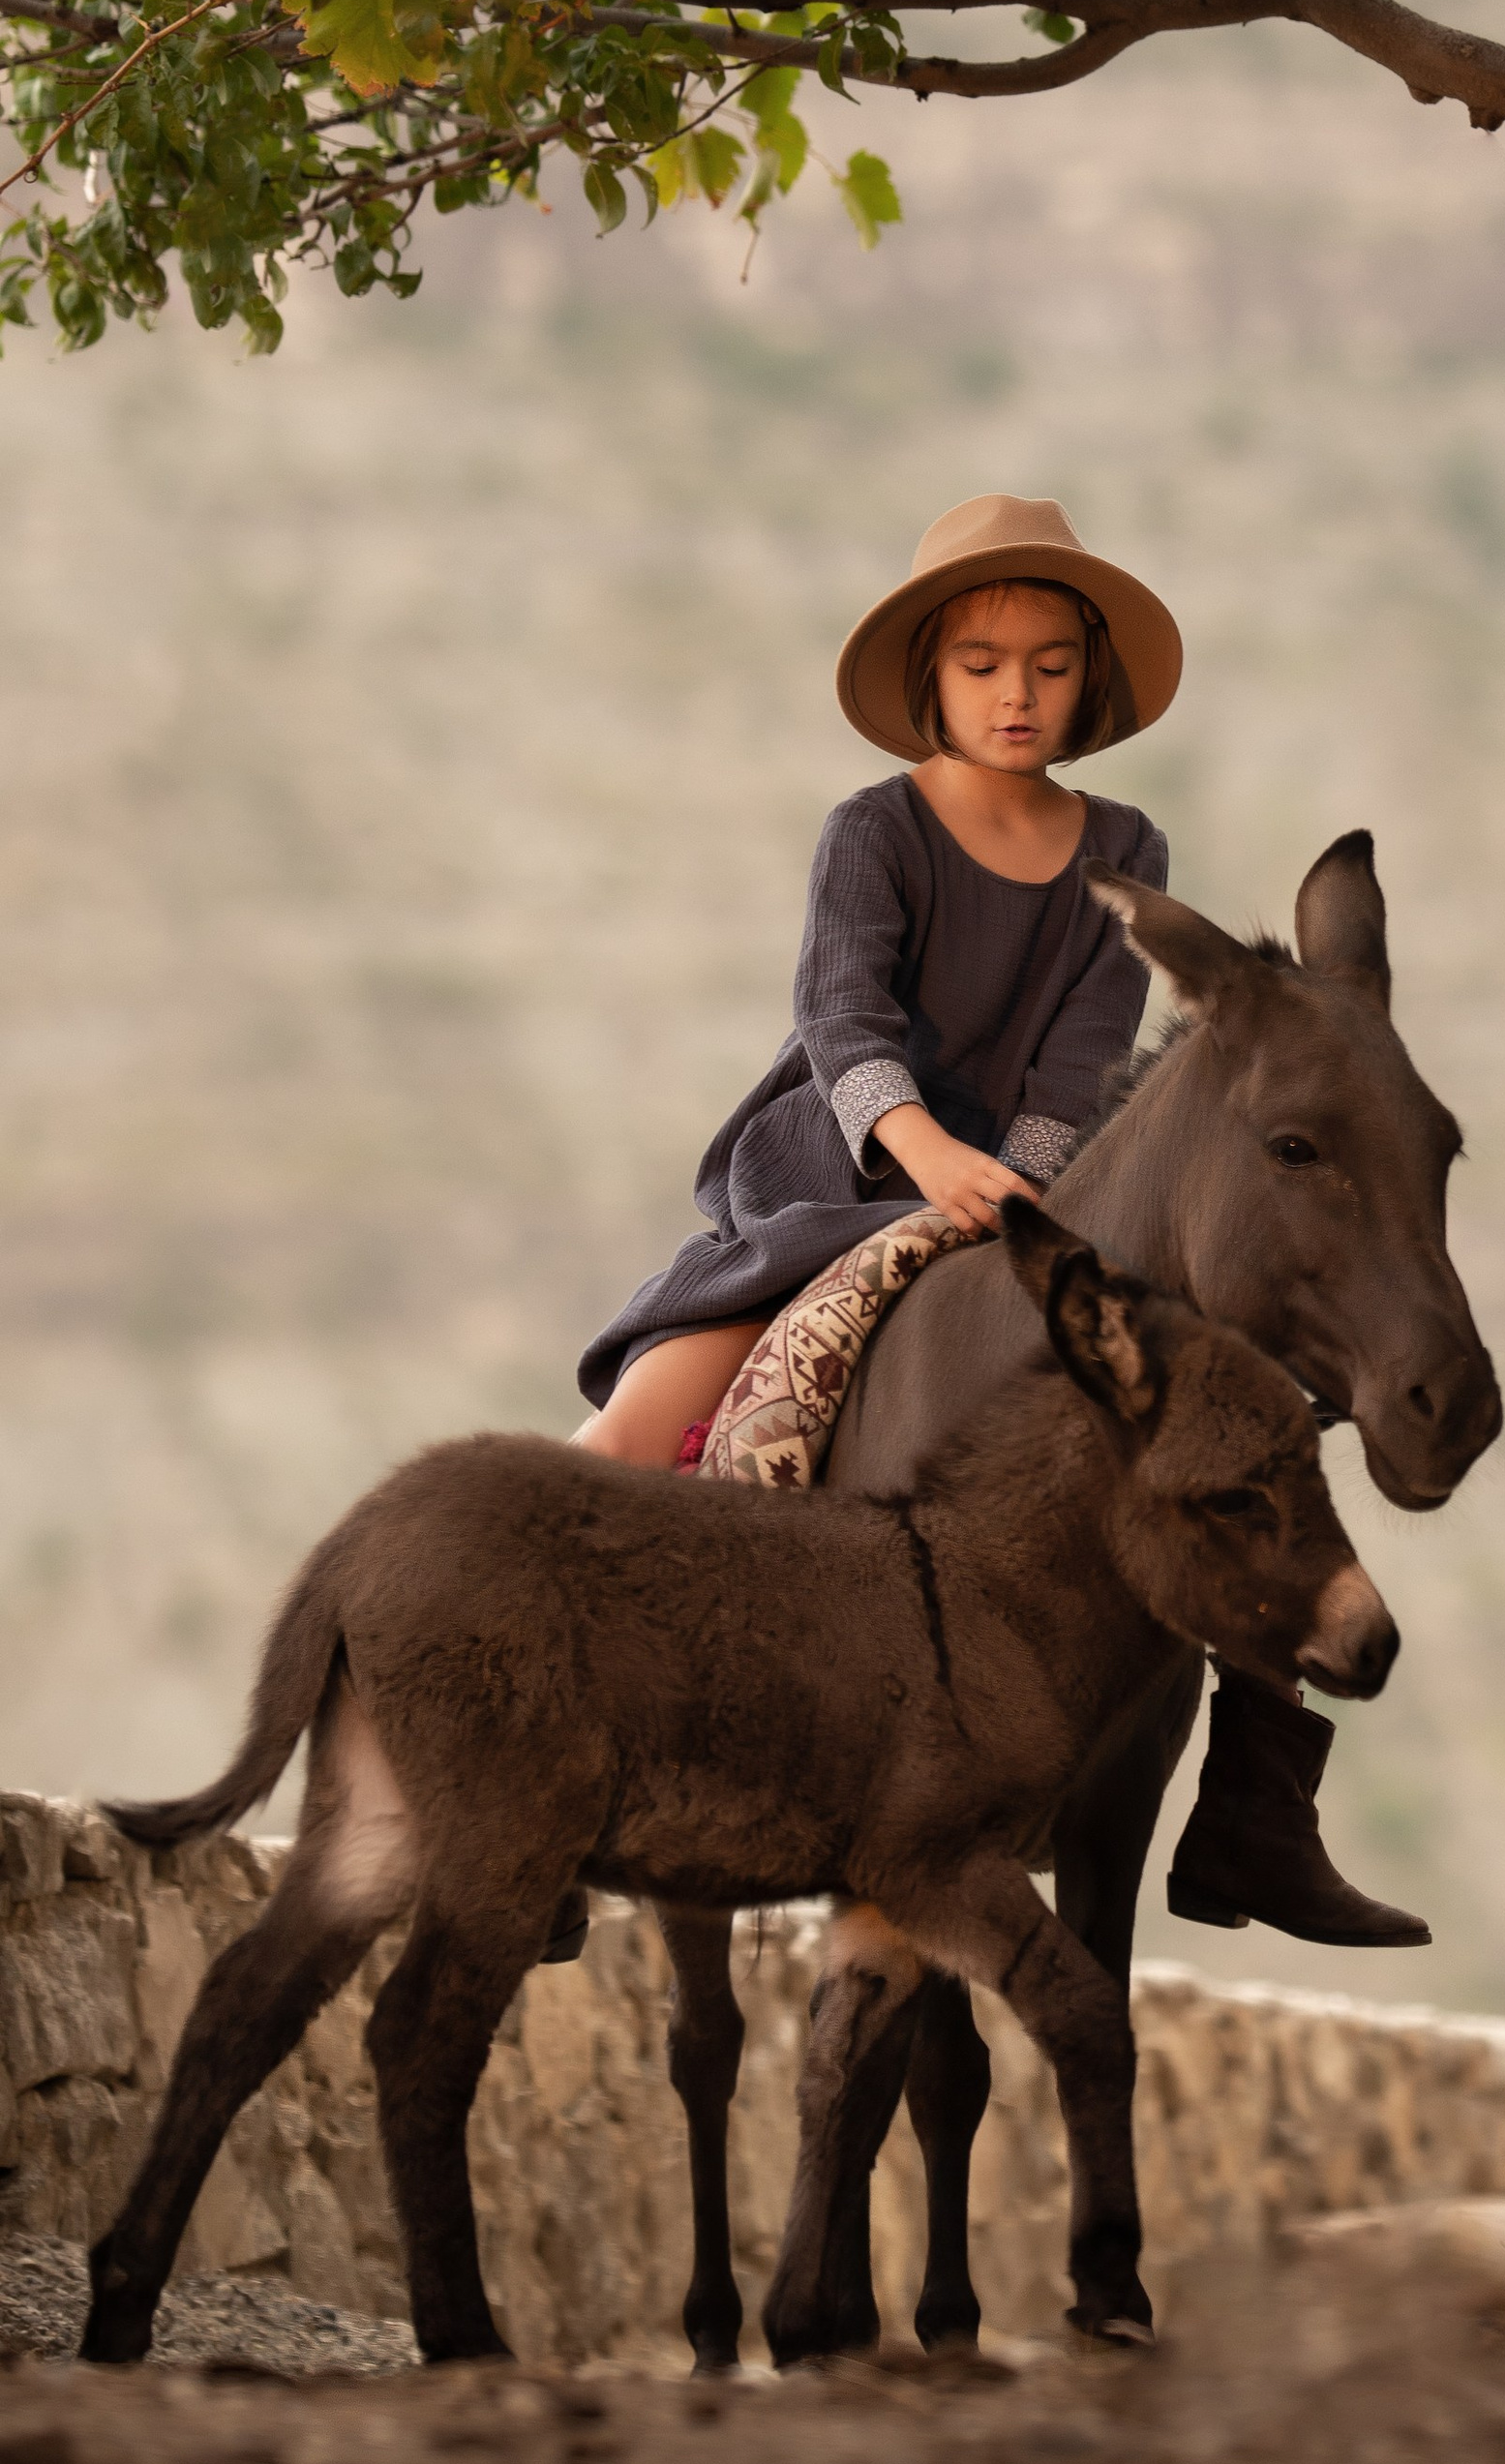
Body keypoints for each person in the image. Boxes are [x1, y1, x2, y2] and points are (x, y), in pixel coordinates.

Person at [572, 492, 1426, 1947]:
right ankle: (550, 1767)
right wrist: (925, 1154)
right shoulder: (874, 832)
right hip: (835, 1175)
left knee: (1232, 1429)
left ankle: (1257, 1809)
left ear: (1087, 676)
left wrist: (1021, 1187)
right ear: (932, 676)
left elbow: (1088, 1057)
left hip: (1036, 1195)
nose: (1014, 692)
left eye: (1044, 662)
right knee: (639, 1432)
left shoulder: (1127, 842)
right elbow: (839, 1014)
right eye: (981, 663)